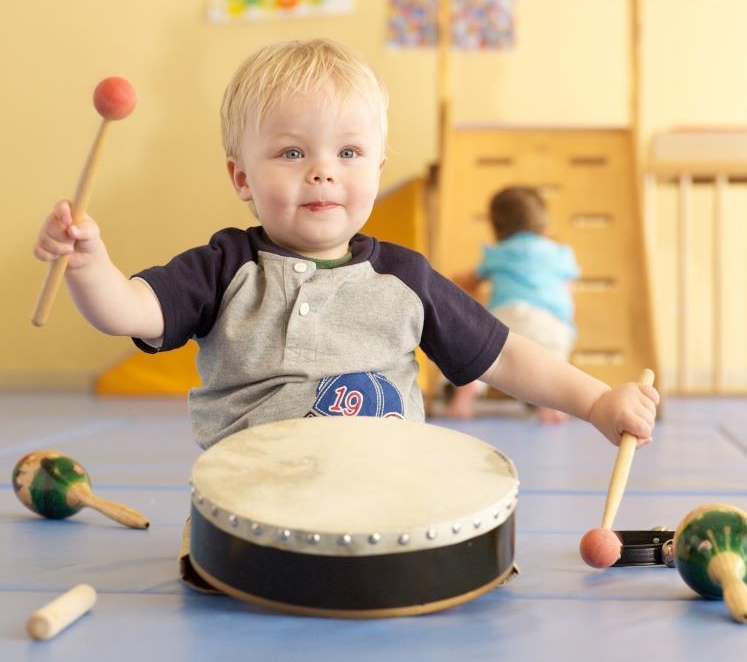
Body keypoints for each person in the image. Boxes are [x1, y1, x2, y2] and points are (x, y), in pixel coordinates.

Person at [33, 38, 658, 452]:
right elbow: (128, 310)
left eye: (348, 152)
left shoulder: (405, 279)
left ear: (378, 168)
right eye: (292, 151)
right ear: (241, 177)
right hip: (257, 492)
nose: (323, 170)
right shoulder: (224, 267)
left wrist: (598, 401)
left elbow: (504, 357)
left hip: (383, 487)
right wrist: (90, 264)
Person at [447, 186, 580, 423]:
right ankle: (552, 408)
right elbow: (568, 290)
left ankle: (464, 399)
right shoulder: (560, 253)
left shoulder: (498, 253)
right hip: (550, 321)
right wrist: (565, 320)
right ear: (545, 225)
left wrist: (458, 279)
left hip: (505, 316)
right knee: (554, 362)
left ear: (497, 228)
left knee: (482, 357)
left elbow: (470, 280)